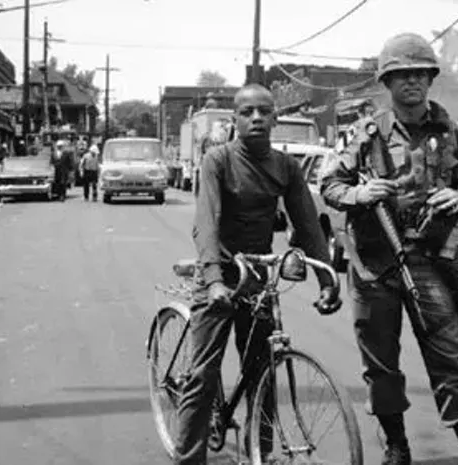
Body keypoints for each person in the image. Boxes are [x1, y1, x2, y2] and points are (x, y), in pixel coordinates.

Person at [321, 32, 458, 465]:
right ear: (388, 82)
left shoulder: (450, 131)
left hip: (430, 258)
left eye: (420, 74)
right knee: (381, 362)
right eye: (402, 75)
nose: (412, 82)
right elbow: (331, 184)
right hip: (376, 261)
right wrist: (360, 195)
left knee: (451, 358)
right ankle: (397, 445)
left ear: (430, 79)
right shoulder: (365, 132)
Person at [175, 84, 343, 465]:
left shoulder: (286, 167)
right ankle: (188, 458)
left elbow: (309, 226)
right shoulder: (218, 160)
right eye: (247, 112)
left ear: (274, 118)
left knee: (262, 372)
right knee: (202, 376)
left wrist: (327, 277)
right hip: (217, 274)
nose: (255, 118)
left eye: (263, 112)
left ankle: (261, 454)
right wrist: (215, 279)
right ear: (234, 119)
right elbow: (207, 222)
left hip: (256, 277)